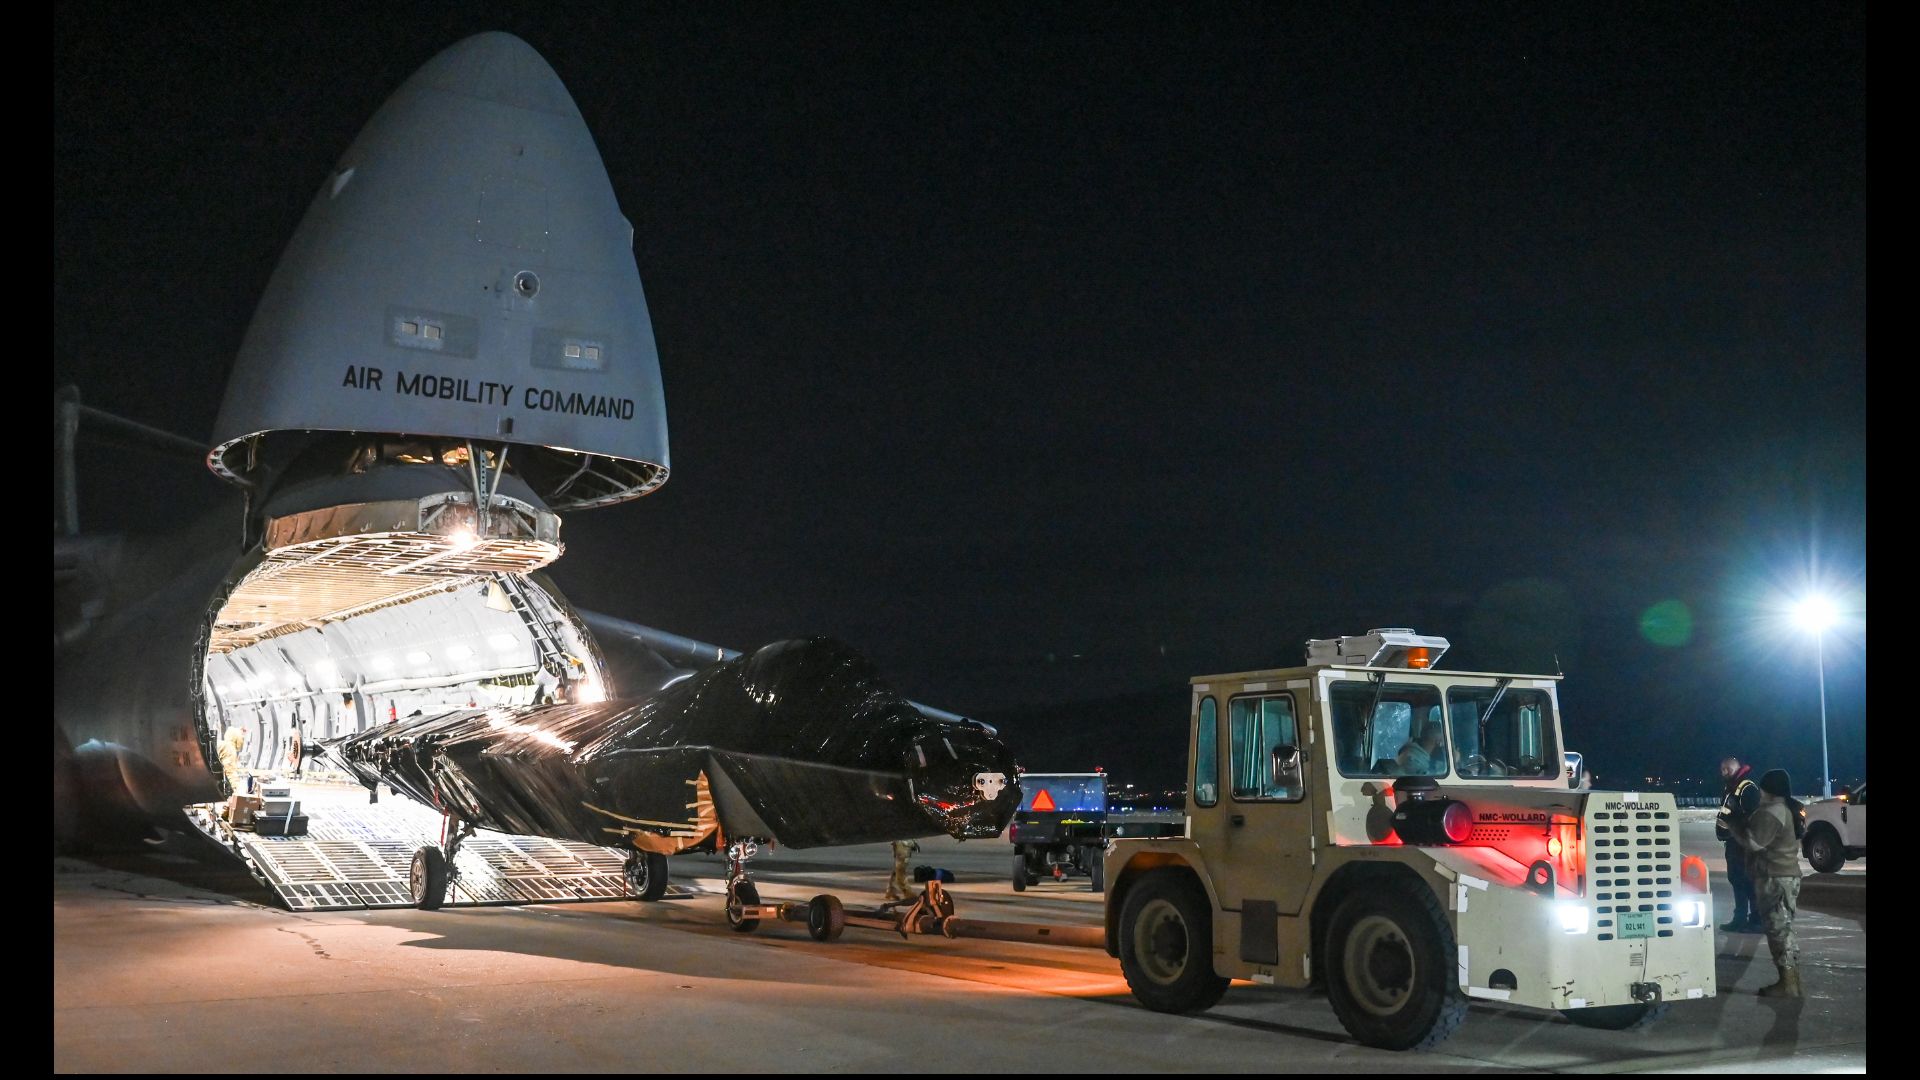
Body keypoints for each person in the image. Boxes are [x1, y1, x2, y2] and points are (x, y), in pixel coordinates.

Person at [1727, 768, 1805, 998]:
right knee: (1784, 929)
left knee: (1778, 930)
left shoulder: (1772, 811)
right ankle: (1792, 981)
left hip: (1774, 878)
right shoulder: (1786, 809)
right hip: (1785, 876)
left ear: (1768, 789)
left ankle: (1787, 984)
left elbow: (1754, 842)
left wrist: (1734, 825)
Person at [1715, 756, 1762, 932]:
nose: (1723, 773)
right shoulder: (1731, 788)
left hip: (1744, 845)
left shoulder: (1747, 788)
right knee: (1737, 880)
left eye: (1726, 769)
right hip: (1733, 844)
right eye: (1722, 770)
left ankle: (1758, 920)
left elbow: (1755, 816)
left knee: (1749, 882)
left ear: (1735, 768)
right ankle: (1740, 918)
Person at [216, 727, 249, 794]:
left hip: (224, 746)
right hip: (230, 749)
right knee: (231, 772)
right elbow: (239, 746)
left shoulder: (230, 729)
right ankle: (235, 792)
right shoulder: (239, 734)